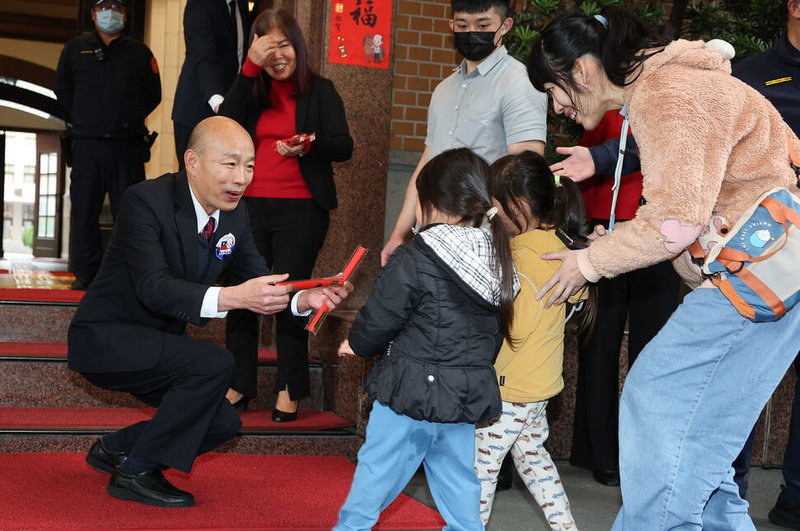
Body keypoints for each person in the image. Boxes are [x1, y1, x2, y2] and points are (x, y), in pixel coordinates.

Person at [527, 8, 798, 531]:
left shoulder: (668, 92)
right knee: (708, 418)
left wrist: (588, 263)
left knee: (657, 392)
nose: (558, 108)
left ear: (583, 68)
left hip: (753, 271)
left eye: (554, 89)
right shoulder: (683, 84)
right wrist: (619, 242)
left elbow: (675, 222)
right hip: (777, 270)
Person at [67, 116, 350, 509]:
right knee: (215, 362)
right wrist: (236, 297)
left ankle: (117, 449)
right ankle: (136, 472)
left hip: (160, 345)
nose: (242, 177)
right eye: (230, 163)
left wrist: (307, 299)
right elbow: (154, 287)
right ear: (192, 161)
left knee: (223, 422)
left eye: (250, 165)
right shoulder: (145, 201)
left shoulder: (234, 214)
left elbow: (259, 283)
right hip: (105, 339)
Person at [305, 148, 517, 531]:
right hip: (463, 391)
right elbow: (491, 334)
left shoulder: (417, 256)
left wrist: (357, 344)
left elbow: (380, 317)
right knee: (458, 474)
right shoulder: (496, 259)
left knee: (380, 463)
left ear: (430, 203)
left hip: (410, 388)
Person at [419, 151, 595, 531]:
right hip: (539, 385)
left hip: (510, 388)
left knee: (479, 464)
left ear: (515, 207)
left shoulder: (521, 257)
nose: (490, 214)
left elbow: (517, 325)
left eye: (495, 205)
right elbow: (579, 294)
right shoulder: (560, 247)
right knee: (533, 459)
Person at [219, 9, 353, 421]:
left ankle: (289, 387)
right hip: (249, 207)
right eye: (267, 47)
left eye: (284, 44)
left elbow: (343, 145)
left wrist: (307, 145)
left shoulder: (321, 90)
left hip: (302, 209)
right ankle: (239, 383)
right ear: (255, 51)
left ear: (298, 45)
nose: (277, 55)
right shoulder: (251, 91)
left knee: (289, 293)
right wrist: (247, 69)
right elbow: (223, 124)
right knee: (243, 292)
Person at [556, 110, 681, 487]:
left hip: (659, 233)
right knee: (599, 344)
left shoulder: (666, 95)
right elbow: (590, 156)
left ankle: (646, 452)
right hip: (604, 226)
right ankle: (599, 452)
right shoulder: (602, 95)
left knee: (654, 349)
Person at [380, 0, 548, 266]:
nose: (471, 32)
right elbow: (426, 164)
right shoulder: (443, 89)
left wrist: (510, 242)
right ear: (451, 26)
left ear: (505, 26)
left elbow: (525, 170)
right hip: (432, 236)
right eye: (462, 25)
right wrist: (398, 234)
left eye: (483, 25)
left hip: (483, 241)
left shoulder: (519, 82)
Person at [729, 0, 800, 531]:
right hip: (764, 255)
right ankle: (723, 497)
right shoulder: (748, 75)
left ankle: (795, 498)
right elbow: (696, 139)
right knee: (742, 378)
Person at [55, 0, 161, 290]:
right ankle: (85, 273)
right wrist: (86, 118)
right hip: (87, 145)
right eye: (103, 7)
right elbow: (62, 89)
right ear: (93, 14)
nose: (110, 13)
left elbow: (154, 95)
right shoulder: (75, 49)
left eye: (116, 7)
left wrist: (126, 118)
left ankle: (125, 273)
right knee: (85, 210)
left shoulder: (140, 53)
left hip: (126, 147)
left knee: (129, 213)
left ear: (125, 14)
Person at [172, 0, 251, 170]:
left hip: (230, 107)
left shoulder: (242, 4)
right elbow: (204, 54)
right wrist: (218, 103)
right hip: (199, 105)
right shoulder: (200, 3)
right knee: (193, 179)